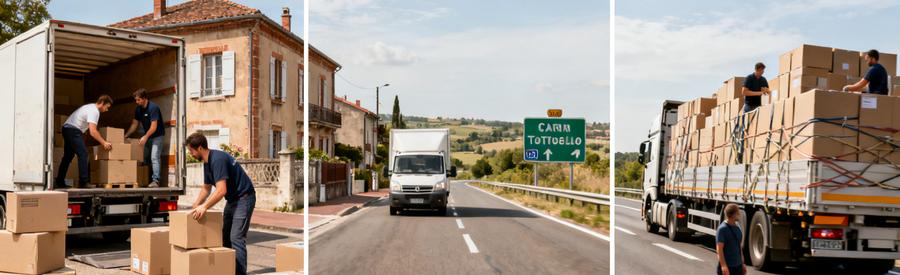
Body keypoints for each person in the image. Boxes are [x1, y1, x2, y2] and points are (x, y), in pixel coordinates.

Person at [185, 132, 256, 275]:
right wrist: (195, 205)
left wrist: (204, 207)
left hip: (244, 198)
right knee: (225, 237)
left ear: (199, 148)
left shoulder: (217, 159)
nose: (190, 153)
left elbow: (221, 190)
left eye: (191, 150)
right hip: (233, 200)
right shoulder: (206, 163)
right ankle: (228, 270)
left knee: (236, 237)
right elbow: (206, 188)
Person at [55, 95, 114, 188]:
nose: (107, 110)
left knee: (68, 156)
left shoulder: (90, 107)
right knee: (83, 154)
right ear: (102, 103)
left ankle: (59, 181)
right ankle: (83, 182)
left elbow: (86, 129)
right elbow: (93, 131)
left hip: (67, 128)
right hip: (73, 130)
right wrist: (104, 142)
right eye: (107, 107)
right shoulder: (95, 111)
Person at [124, 89, 165, 187]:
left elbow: (154, 126)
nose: (136, 102)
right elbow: (134, 124)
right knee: (144, 158)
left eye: (138, 100)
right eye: (136, 100)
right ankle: (144, 179)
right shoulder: (138, 109)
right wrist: (126, 135)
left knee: (154, 157)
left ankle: (156, 180)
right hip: (148, 136)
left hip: (157, 136)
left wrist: (145, 137)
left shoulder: (153, 108)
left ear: (144, 98)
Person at [717, 204, 745, 275]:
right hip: (728, 267)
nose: (739, 214)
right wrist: (723, 266)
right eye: (738, 212)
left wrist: (742, 263)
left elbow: (739, 246)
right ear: (733, 215)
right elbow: (719, 249)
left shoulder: (737, 227)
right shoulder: (722, 229)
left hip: (738, 266)